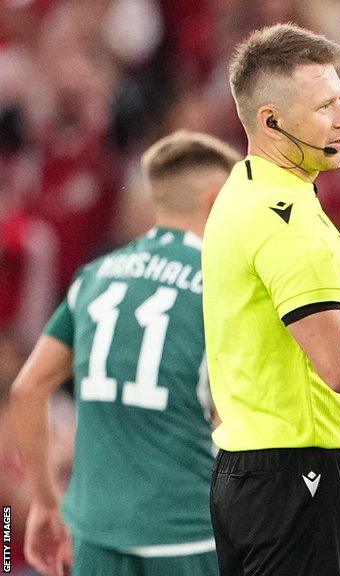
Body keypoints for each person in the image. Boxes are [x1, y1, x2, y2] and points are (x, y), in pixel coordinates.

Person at [9, 130, 240, 576]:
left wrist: (43, 502)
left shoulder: (94, 276)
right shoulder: (224, 287)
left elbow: (27, 388)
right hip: (186, 536)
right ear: (215, 203)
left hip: (93, 535)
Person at [202, 23, 340, 576]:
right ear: (270, 121)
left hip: (250, 469)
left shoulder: (244, 190)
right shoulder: (286, 217)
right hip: (300, 470)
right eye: (325, 107)